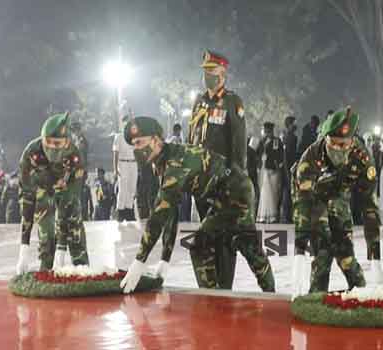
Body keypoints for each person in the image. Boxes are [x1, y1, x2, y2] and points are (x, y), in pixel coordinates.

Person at [119, 116, 274, 293]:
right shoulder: (163, 161)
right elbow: (171, 212)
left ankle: (214, 300)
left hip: (234, 190)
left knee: (205, 245)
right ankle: (247, 295)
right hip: (226, 192)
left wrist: (140, 260)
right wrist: (164, 259)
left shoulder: (175, 163)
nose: (136, 149)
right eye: (133, 145)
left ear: (155, 139)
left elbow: (159, 215)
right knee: (246, 244)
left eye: (139, 143)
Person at [292, 108, 383, 297]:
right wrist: (299, 253)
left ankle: (361, 294)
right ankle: (315, 300)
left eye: (345, 145)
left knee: (346, 253)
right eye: (334, 144)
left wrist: (376, 258)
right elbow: (303, 204)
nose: (340, 149)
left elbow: (370, 208)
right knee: (323, 255)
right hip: (314, 198)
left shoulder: (362, 158)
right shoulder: (311, 157)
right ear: (325, 139)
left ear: (352, 141)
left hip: (340, 197)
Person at [186, 50, 246, 289]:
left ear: (223, 74)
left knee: (224, 236)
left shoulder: (233, 102)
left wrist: (235, 178)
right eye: (205, 72)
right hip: (201, 182)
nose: (207, 76)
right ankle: (210, 286)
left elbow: (238, 144)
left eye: (212, 72)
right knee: (207, 234)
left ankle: (225, 286)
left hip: (222, 181)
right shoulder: (199, 102)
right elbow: (192, 140)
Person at [16, 112, 90, 273]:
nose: (53, 147)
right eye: (48, 142)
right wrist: (24, 246)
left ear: (67, 142)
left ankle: (81, 265)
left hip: (64, 190)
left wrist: (62, 247)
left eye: (58, 144)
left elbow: (70, 199)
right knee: (45, 224)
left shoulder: (74, 156)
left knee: (74, 220)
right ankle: (46, 265)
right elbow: (27, 200)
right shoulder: (31, 154)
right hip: (42, 189)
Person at [256, 122, 284, 224]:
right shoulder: (263, 141)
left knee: (272, 193)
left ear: (269, 130)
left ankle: (272, 216)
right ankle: (264, 215)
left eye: (265, 129)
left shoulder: (276, 141)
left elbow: (278, 155)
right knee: (264, 193)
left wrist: (277, 167)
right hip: (264, 170)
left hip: (273, 170)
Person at [113, 115, 137, 222]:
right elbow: (115, 153)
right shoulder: (119, 136)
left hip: (133, 163)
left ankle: (129, 211)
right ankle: (120, 212)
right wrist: (114, 169)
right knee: (123, 188)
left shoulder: (134, 137)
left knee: (132, 188)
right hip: (123, 163)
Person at [281, 116, 298, 223]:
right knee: (288, 191)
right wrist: (288, 169)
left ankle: (287, 215)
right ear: (289, 124)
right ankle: (287, 216)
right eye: (294, 123)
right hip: (288, 166)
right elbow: (287, 155)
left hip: (288, 166)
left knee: (288, 191)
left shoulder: (288, 136)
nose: (295, 125)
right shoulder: (290, 138)